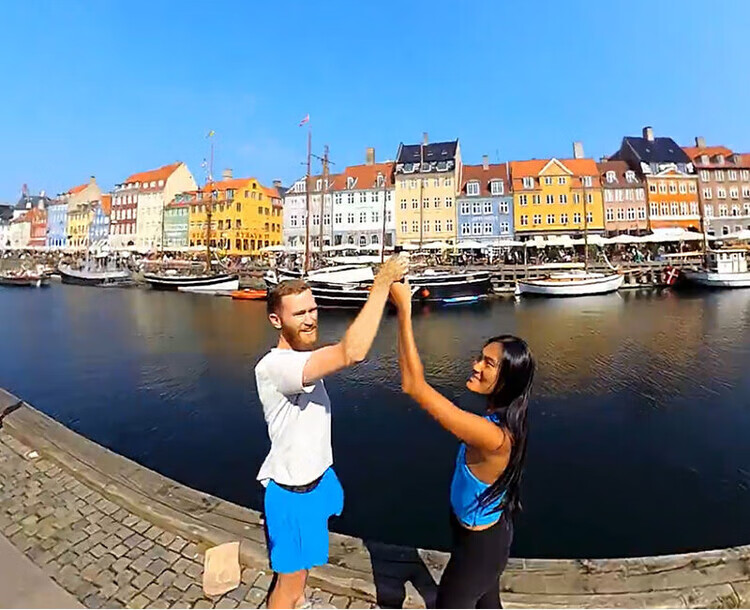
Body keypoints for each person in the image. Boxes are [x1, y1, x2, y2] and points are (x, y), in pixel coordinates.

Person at [255, 254, 409, 609]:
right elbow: (351, 352)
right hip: (293, 494)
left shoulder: (302, 359)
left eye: (313, 309)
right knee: (288, 584)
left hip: (315, 480)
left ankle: (300, 602)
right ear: (276, 320)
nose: (310, 319)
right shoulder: (275, 367)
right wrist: (382, 283)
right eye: (299, 313)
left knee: (303, 568)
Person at [389, 280, 535, 609]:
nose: (476, 365)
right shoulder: (506, 417)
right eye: (480, 357)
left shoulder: (492, 436)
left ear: (508, 380)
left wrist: (404, 311)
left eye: (488, 364)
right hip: (482, 533)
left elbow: (413, 385)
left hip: (480, 546)